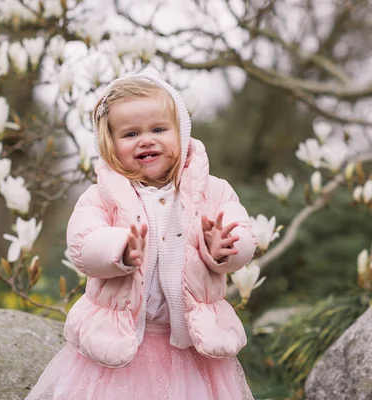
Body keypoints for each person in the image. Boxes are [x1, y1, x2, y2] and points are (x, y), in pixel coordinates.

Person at [26, 68, 256, 400]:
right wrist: (118, 250)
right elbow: (83, 242)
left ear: (182, 133)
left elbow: (240, 229)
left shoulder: (211, 191)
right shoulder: (101, 196)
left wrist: (225, 249)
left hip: (192, 345)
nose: (146, 139)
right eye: (130, 134)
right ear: (110, 145)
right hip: (120, 343)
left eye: (159, 129)